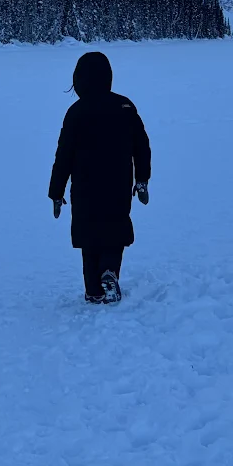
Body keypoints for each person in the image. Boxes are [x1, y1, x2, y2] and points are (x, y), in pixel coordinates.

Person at [48, 51, 152, 304]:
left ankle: (93, 290)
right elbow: (142, 146)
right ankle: (109, 272)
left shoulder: (76, 112)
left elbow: (63, 155)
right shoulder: (124, 106)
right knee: (115, 230)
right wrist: (142, 180)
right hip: (118, 184)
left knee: (88, 235)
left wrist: (56, 192)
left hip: (85, 187)